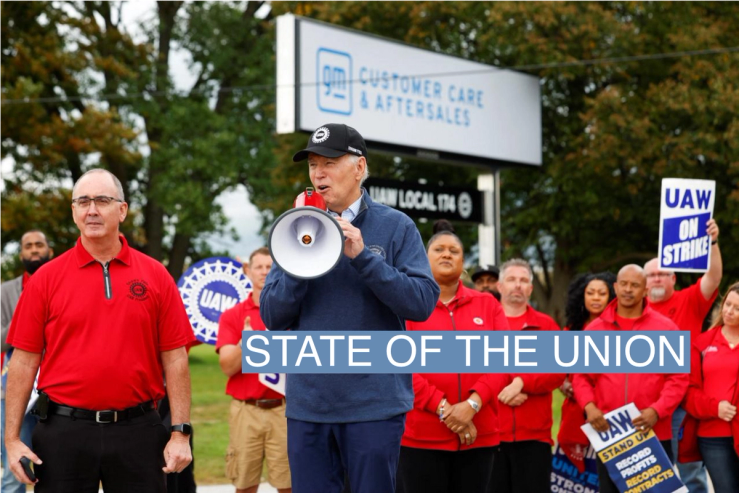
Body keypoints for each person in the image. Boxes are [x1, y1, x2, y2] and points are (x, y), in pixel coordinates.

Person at [260, 123, 439, 493]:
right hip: (309, 406)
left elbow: (421, 303)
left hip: (374, 406)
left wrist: (364, 258)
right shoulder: (293, 228)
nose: (318, 173)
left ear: (359, 167)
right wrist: (301, 257)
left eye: (329, 162)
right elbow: (273, 317)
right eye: (312, 164)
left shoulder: (396, 226)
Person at [4, 169, 194, 492]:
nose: (92, 209)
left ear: (122, 210)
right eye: (83, 201)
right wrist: (10, 440)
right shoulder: (45, 280)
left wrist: (180, 432)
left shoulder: (156, 275)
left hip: (138, 430)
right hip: (63, 432)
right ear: (74, 212)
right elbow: (22, 362)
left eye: (102, 200)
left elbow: (175, 359)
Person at [396, 224, 509, 493]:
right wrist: (446, 410)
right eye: (439, 249)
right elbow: (400, 368)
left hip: (478, 436)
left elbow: (504, 359)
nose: (447, 254)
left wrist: (472, 404)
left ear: (463, 261)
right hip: (420, 438)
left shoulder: (488, 305)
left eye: (454, 251)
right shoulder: (405, 306)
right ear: (424, 258)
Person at [572, 264, 689, 493]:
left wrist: (657, 410)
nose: (628, 290)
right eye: (623, 284)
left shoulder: (667, 329)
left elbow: (678, 379)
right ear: (615, 287)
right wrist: (589, 407)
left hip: (653, 432)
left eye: (635, 285)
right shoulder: (594, 330)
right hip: (610, 434)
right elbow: (581, 376)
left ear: (645, 290)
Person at [644, 218, 721, 493]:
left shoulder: (689, 299)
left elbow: (713, 278)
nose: (656, 278)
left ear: (673, 279)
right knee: (646, 472)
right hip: (644, 402)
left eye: (662, 274)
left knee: (689, 470)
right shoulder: (633, 311)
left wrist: (711, 242)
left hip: (682, 401)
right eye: (651, 275)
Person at [217, 247, 291, 493]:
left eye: (270, 267)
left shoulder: (291, 313)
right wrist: (245, 344)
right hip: (246, 410)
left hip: (284, 409)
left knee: (289, 484)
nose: (264, 272)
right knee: (244, 484)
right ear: (247, 271)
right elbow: (227, 367)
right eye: (259, 267)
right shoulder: (233, 315)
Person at [492, 258, 563, 493]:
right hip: (491, 434)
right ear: (499, 286)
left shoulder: (546, 326)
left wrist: (523, 383)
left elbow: (558, 372)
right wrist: (505, 390)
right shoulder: (482, 326)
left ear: (531, 289)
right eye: (511, 279)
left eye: (523, 281)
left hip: (535, 437)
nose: (517, 285)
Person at [0, 230, 53, 493]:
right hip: (14, 390)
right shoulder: (5, 291)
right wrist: (27, 314)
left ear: (49, 251)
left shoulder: (60, 285)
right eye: (28, 246)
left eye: (39, 245)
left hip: (55, 393)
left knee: (56, 469)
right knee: (15, 471)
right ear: (21, 254)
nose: (34, 250)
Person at [680, 282, 739, 492]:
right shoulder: (702, 343)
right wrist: (715, 408)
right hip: (713, 436)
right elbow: (688, 392)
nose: (729, 311)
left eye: (737, 308)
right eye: (727, 304)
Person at [557, 272, 616, 470]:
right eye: (590, 293)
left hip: (610, 410)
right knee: (577, 477)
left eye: (602, 293)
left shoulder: (620, 330)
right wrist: (563, 384)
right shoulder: (570, 331)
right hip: (576, 410)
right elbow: (558, 372)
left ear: (611, 297)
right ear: (582, 296)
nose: (596, 298)